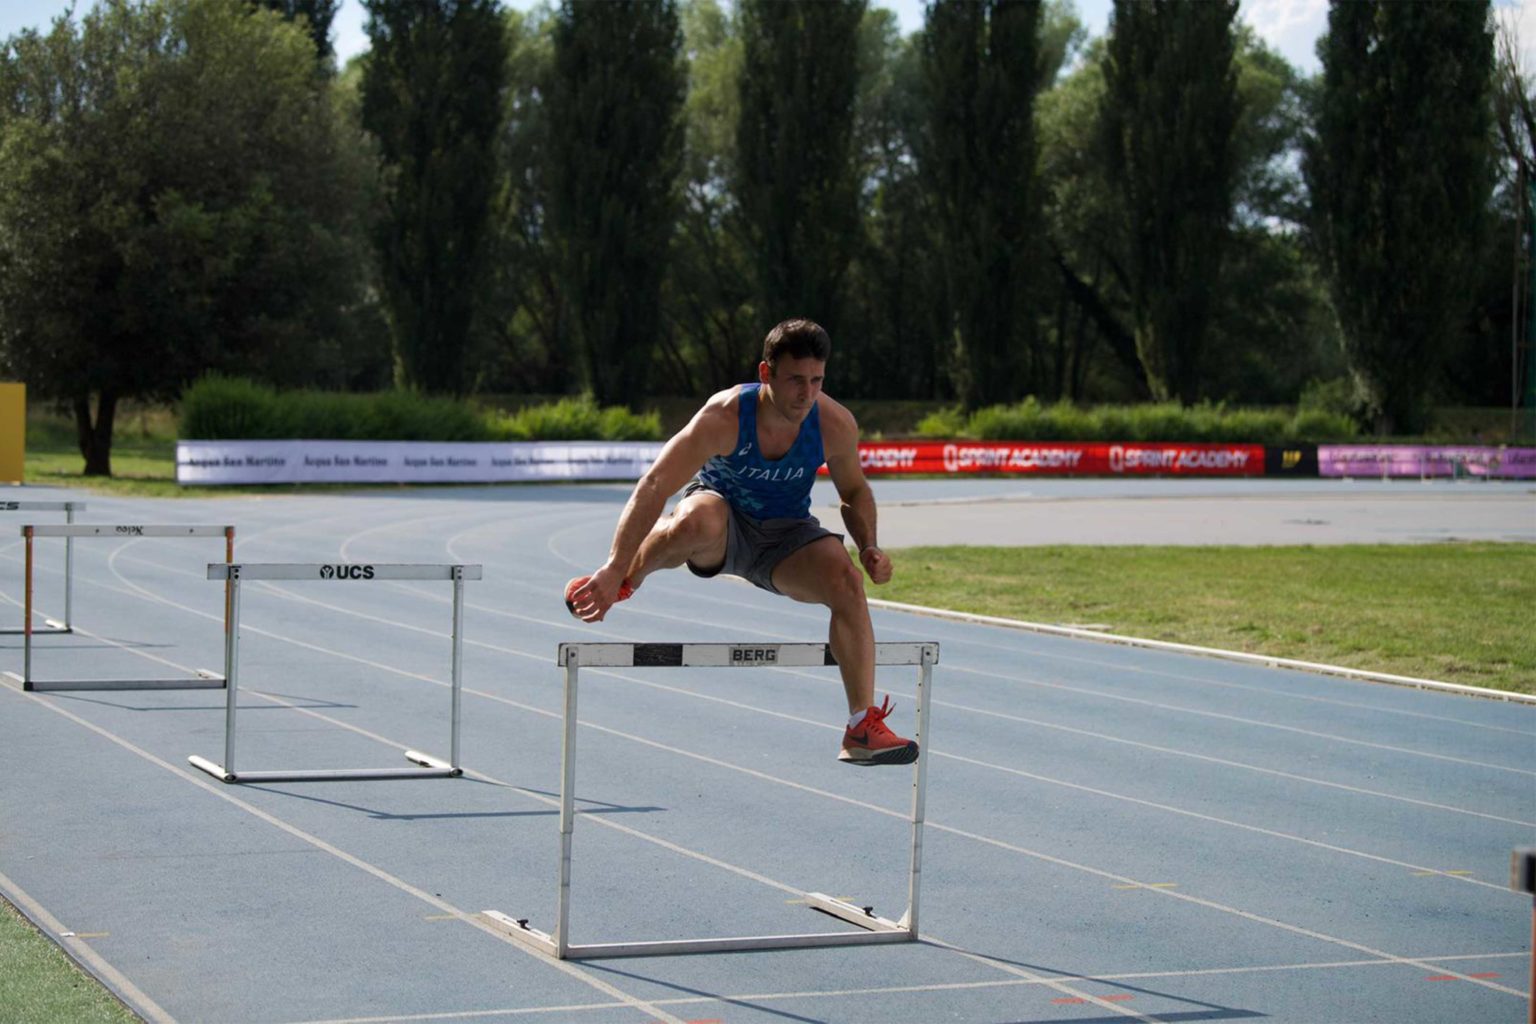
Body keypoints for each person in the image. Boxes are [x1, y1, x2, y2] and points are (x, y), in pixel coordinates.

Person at [564, 318, 917, 767]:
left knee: (848, 581)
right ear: (766, 373)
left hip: (787, 537)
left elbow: (854, 491)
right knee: (695, 520)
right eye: (795, 380)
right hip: (721, 522)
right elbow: (654, 485)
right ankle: (622, 580)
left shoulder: (835, 424)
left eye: (816, 381)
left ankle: (861, 727)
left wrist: (868, 545)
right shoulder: (724, 416)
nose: (806, 394)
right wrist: (615, 564)